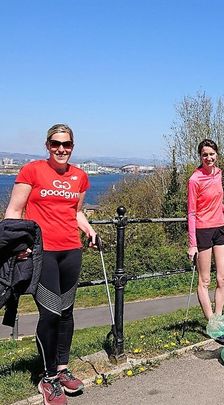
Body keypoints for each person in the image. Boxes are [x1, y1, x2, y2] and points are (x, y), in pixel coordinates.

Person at [5, 124, 97, 405]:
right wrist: (18, 246)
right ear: (47, 145)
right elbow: (14, 212)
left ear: (72, 146)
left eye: (66, 144)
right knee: (51, 314)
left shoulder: (80, 177)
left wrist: (90, 230)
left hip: (71, 250)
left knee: (67, 312)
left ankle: (61, 369)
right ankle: (47, 380)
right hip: (42, 253)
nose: (61, 149)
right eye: (55, 144)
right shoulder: (31, 171)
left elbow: (77, 212)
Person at [187, 139, 224, 340]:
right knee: (205, 280)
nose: (208, 158)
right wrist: (192, 244)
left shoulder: (219, 174)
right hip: (202, 230)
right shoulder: (195, 180)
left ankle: (218, 319)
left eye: (211, 154)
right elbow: (191, 213)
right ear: (200, 157)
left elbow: (216, 200)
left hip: (220, 227)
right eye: (204, 155)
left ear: (217, 154)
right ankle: (211, 323)